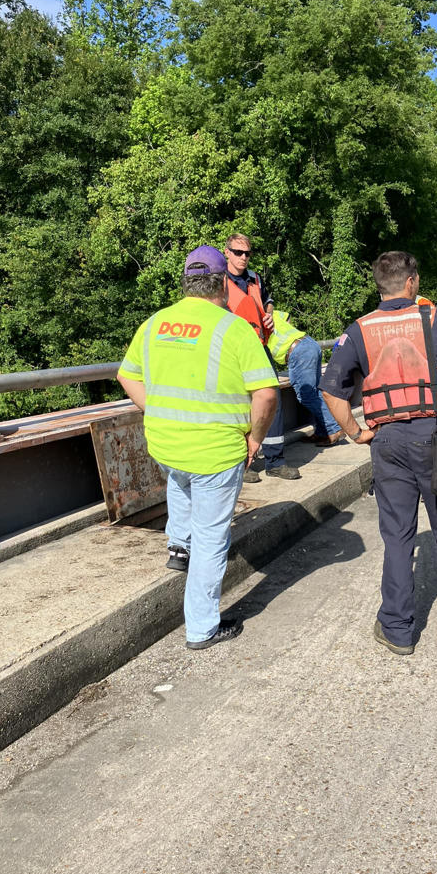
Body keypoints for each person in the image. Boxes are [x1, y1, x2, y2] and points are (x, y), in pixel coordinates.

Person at [320, 250, 437, 653]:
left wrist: (356, 432)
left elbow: (330, 389)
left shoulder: (359, 329)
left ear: (381, 286)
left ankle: (397, 630)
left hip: (388, 442)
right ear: (412, 283)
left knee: (397, 538)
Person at [117, 246, 279, 649]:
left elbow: (126, 375)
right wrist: (255, 437)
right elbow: (266, 395)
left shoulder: (155, 323)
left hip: (168, 443)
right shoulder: (233, 328)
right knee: (212, 537)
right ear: (223, 284)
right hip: (215, 451)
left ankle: (178, 545)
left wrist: (158, 411)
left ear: (186, 282)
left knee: (180, 480)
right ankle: (202, 628)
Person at [224, 232, 301, 482]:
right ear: (227, 252)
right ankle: (241, 465)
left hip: (258, 346)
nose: (243, 257)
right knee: (238, 403)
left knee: (271, 399)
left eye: (247, 253)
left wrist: (269, 314)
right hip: (231, 350)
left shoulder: (255, 278)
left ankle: (275, 461)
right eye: (238, 252)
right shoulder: (218, 281)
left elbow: (267, 301)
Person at [267, 310, 345, 445]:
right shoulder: (268, 311)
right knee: (315, 393)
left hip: (297, 352)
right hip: (308, 343)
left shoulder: (249, 321)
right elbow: (287, 317)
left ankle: (333, 429)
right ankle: (323, 432)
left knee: (306, 396)